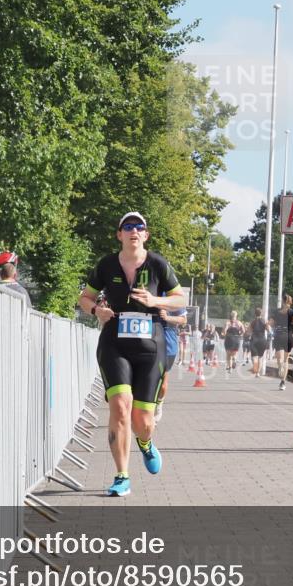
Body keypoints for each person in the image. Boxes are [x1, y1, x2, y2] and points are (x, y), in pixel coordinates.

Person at [77, 212, 186, 497]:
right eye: (128, 227)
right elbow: (84, 297)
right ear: (120, 235)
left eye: (139, 227)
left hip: (151, 345)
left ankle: (146, 443)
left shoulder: (158, 263)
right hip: (114, 342)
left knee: (143, 422)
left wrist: (155, 300)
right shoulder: (106, 265)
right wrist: (95, 310)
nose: (133, 231)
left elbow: (180, 299)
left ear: (145, 235)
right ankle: (121, 475)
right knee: (121, 406)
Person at [156, 307, 187, 420]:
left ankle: (159, 404)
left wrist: (167, 317)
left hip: (168, 346)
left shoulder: (173, 294)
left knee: (163, 385)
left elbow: (183, 320)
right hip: (149, 342)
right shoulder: (149, 291)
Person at [271, 294, 293, 390]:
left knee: (279, 359)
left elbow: (270, 323)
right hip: (288, 336)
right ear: (290, 302)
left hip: (278, 335)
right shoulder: (292, 312)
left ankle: (280, 367)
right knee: (286, 360)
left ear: (282, 301)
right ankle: (283, 382)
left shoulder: (276, 312)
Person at [248, 307, 270, 378]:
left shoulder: (253, 322)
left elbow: (249, 331)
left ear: (255, 314)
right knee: (260, 357)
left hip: (254, 340)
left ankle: (255, 368)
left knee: (254, 357)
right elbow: (269, 330)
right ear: (262, 313)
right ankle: (258, 373)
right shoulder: (264, 321)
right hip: (262, 340)